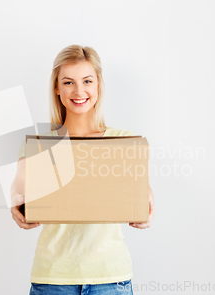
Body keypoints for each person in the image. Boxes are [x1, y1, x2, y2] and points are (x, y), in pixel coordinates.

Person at [10, 45, 155, 295]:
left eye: (87, 81)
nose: (79, 91)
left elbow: (145, 197)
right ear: (56, 88)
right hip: (53, 279)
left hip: (111, 279)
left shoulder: (124, 142)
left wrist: (146, 211)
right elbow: (19, 189)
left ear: (98, 84)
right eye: (68, 82)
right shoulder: (40, 144)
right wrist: (16, 205)